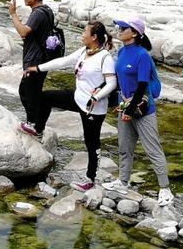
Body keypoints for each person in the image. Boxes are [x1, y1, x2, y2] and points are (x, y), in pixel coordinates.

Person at [23, 21, 118, 192]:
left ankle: (90, 180)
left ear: (94, 37)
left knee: (91, 143)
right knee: (46, 98)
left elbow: (112, 83)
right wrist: (38, 68)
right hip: (78, 98)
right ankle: (38, 130)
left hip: (93, 107)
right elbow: (63, 61)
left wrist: (96, 97)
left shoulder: (105, 58)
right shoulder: (84, 51)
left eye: (85, 32)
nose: (82, 35)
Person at [103, 16, 174, 206]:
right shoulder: (122, 51)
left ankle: (165, 190)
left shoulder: (142, 55)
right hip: (125, 106)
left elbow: (142, 85)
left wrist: (130, 109)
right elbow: (119, 80)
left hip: (143, 110)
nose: (119, 30)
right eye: (119, 27)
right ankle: (122, 182)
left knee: (152, 149)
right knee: (124, 147)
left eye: (123, 28)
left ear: (134, 33)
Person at [9, 0, 54, 132]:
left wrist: (13, 14)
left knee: (28, 92)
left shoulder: (38, 13)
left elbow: (23, 32)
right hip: (42, 58)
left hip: (35, 60)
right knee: (30, 91)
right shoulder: (47, 10)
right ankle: (36, 124)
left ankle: (33, 124)